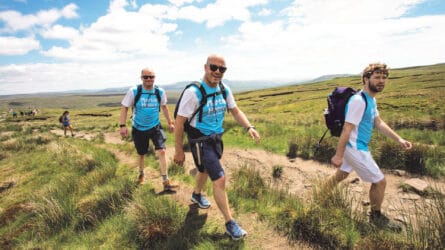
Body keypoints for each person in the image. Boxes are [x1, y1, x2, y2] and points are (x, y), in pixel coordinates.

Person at [173, 54, 261, 240]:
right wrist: (179, 150)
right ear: (205, 67)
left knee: (204, 170)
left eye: (222, 69)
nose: (217, 72)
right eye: (214, 67)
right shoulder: (193, 92)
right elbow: (179, 122)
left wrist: (249, 127)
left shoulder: (224, 89)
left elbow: (235, 110)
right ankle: (230, 223)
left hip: (216, 139)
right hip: (200, 141)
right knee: (219, 179)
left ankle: (196, 194)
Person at [327, 63, 412, 230]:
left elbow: (378, 123)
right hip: (354, 147)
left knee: (341, 175)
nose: (381, 81)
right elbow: (347, 128)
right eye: (377, 77)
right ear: (366, 79)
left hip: (357, 146)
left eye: (384, 78)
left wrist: (399, 139)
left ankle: (318, 196)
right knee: (380, 182)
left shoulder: (371, 99)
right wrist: (338, 155)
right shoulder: (359, 101)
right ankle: (376, 217)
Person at [120, 67, 178, 191]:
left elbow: (164, 107)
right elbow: (124, 107)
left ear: (154, 78)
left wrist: (170, 122)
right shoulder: (134, 91)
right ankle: (141, 173)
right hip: (139, 128)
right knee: (141, 154)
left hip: (155, 126)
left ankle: (165, 181)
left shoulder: (159, 91)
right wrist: (123, 125)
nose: (149, 79)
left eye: (151, 77)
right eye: (146, 77)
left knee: (162, 151)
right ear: (141, 78)